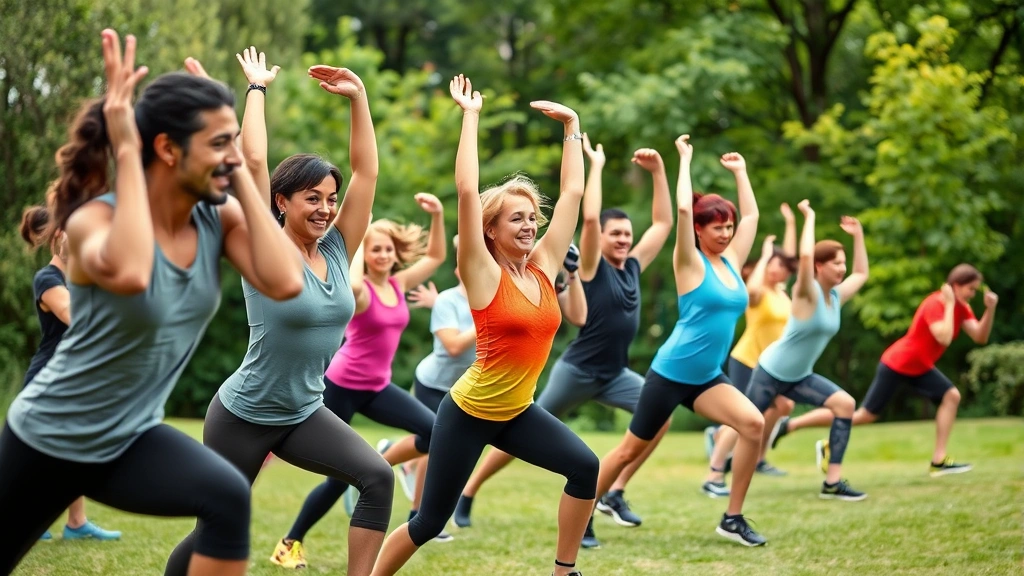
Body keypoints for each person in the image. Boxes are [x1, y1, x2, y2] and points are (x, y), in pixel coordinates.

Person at [0, 30, 305, 576]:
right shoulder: (93, 220)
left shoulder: (218, 215)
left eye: (231, 143)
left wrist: (231, 160)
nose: (230, 157)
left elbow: (286, 283)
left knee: (228, 495)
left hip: (128, 437)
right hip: (47, 438)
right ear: (166, 149)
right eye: (217, 144)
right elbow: (135, 272)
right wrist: (125, 147)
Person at [163, 47, 393, 576]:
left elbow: (367, 170)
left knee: (377, 477)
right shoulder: (262, 242)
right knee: (217, 526)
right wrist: (257, 91)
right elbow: (254, 163)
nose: (326, 208)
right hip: (243, 415)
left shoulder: (337, 249)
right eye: (312, 198)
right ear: (282, 202)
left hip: (302, 412)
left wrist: (360, 99)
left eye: (330, 198)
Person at [367, 75, 597, 576]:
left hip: (517, 411)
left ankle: (565, 571)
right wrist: (470, 115)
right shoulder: (481, 272)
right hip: (469, 412)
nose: (529, 225)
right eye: (516, 218)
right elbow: (467, 191)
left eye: (532, 217)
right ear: (491, 230)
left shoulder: (543, 266)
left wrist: (573, 129)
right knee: (429, 521)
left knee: (585, 468)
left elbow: (573, 191)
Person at [453, 136, 674, 550]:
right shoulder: (587, 262)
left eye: (629, 233)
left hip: (615, 373)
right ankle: (469, 491)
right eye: (617, 234)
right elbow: (584, 216)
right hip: (577, 371)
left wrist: (660, 172)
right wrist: (596, 164)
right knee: (513, 438)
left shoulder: (633, 267)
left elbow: (662, 224)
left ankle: (614, 493)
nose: (624, 240)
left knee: (658, 416)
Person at [593, 134, 768, 547]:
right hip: (669, 374)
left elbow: (752, 220)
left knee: (753, 423)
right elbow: (685, 207)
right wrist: (684, 159)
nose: (726, 233)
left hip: (707, 376)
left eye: (728, 227)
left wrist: (741, 174)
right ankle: (585, 513)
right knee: (626, 453)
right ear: (699, 232)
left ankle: (733, 517)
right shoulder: (688, 262)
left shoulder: (732, 261)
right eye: (717, 228)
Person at [281, 192, 449, 551]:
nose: (383, 255)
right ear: (366, 255)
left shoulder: (398, 284)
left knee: (434, 431)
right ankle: (290, 541)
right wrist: (357, 236)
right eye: (375, 249)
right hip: (341, 386)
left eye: (388, 249)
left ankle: (387, 459)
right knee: (337, 481)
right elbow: (353, 284)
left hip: (377, 387)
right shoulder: (359, 292)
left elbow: (436, 256)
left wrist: (437, 215)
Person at [707, 202, 870, 501]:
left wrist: (858, 235)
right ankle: (715, 473)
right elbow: (805, 256)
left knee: (845, 404)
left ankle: (832, 481)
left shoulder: (837, 296)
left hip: (799, 376)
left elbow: (861, 273)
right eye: (836, 263)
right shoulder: (805, 293)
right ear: (820, 268)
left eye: (842, 263)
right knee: (745, 420)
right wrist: (809, 217)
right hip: (770, 371)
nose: (842, 269)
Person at [771, 264, 998, 477]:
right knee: (863, 415)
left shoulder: (961, 308)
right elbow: (944, 337)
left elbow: (980, 336)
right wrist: (949, 304)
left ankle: (939, 460)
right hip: (898, 363)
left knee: (951, 396)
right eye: (970, 289)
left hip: (919, 366)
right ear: (956, 285)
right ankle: (791, 425)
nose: (972, 294)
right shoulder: (936, 304)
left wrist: (990, 309)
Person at [18, 206, 121, 543]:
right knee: (44, 455)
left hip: (75, 380)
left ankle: (76, 523)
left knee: (75, 450)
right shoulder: (48, 278)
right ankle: (30, 518)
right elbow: (70, 313)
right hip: (48, 379)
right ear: (57, 238)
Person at [701, 204, 798, 497]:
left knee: (783, 406)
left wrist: (791, 222)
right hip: (747, 360)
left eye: (783, 266)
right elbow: (751, 287)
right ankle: (715, 471)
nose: (780, 269)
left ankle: (756, 457)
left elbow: (792, 260)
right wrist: (766, 255)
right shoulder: (756, 292)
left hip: (771, 365)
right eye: (774, 264)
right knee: (744, 414)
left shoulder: (783, 292)